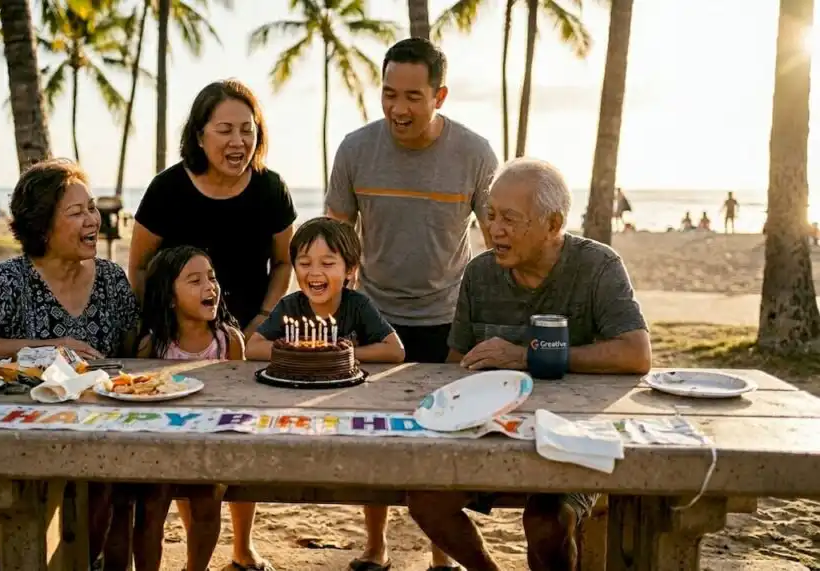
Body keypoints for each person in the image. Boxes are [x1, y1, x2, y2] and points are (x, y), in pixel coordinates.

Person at [406, 157, 651, 571]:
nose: (495, 230)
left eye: (510, 219)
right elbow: (454, 363)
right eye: (490, 215)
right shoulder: (480, 274)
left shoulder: (597, 267)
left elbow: (635, 353)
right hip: (492, 433)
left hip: (574, 436)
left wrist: (527, 357)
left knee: (545, 524)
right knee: (425, 502)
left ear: (553, 225)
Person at [324, 37, 498, 571]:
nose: (398, 108)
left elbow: (496, 242)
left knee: (440, 435)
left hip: (447, 316)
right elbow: (336, 236)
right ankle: (375, 546)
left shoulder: (475, 154)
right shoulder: (356, 149)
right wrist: (338, 307)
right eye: (388, 94)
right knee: (375, 434)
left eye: (413, 96)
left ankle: (440, 558)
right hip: (374, 314)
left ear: (439, 95)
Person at [0, 158, 140, 571]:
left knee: (103, 498)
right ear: (44, 225)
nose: (92, 220)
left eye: (92, 209)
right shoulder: (11, 279)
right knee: (33, 501)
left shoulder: (113, 280)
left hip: (100, 428)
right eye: (76, 212)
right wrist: (48, 347)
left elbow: (136, 351)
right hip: (28, 426)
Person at [127, 78, 293, 571]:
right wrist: (159, 325)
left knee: (238, 439)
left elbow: (283, 261)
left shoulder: (269, 188)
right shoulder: (168, 189)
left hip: (239, 337)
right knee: (181, 449)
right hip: (178, 340)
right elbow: (139, 265)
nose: (238, 141)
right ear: (200, 135)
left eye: (248, 129)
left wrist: (263, 316)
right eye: (225, 129)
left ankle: (243, 547)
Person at [119, 245, 244, 571]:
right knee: (152, 503)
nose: (210, 287)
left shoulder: (228, 341)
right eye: (194, 280)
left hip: (210, 444)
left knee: (207, 502)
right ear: (170, 298)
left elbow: (238, 394)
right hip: (159, 447)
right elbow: (141, 395)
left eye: (211, 277)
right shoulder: (154, 347)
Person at [246, 217, 405, 363]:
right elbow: (252, 348)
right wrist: (303, 353)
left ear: (349, 269)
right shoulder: (289, 306)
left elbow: (395, 351)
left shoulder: (358, 306)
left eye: (327, 264)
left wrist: (342, 354)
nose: (315, 272)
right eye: (305, 264)